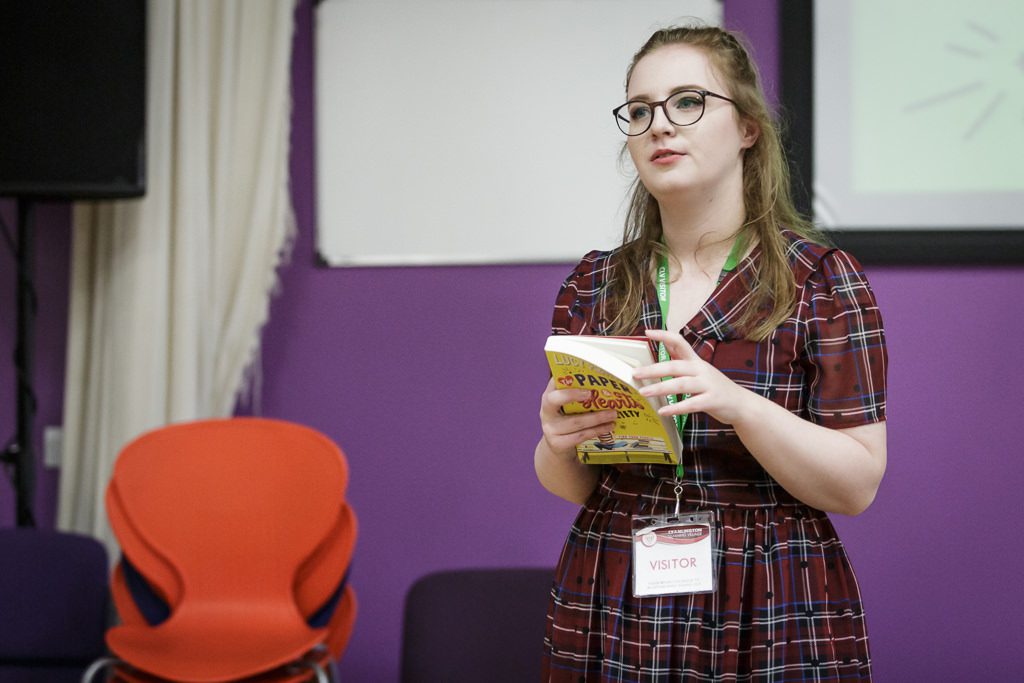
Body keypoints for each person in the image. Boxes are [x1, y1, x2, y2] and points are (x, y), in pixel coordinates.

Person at [535, 24, 887, 681]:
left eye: (687, 102)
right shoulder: (593, 282)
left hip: (774, 592)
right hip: (616, 585)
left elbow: (858, 482)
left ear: (749, 126)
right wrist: (555, 441)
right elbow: (573, 483)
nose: (659, 126)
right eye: (640, 111)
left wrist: (737, 405)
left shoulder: (821, 280)